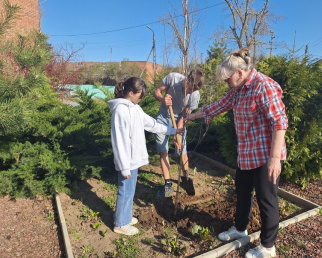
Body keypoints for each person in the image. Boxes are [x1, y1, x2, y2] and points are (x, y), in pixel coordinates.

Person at [186, 48, 288, 258]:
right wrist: (190, 117)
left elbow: (280, 123)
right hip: (247, 153)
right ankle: (240, 229)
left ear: (240, 73)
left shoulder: (263, 86)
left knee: (266, 200)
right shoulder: (238, 90)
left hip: (265, 155)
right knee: (242, 193)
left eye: (227, 79)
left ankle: (268, 247)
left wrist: (275, 159)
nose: (226, 83)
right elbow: (218, 106)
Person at [108, 77, 184, 235]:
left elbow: (152, 124)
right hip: (126, 161)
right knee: (125, 190)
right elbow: (119, 141)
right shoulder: (120, 111)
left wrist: (172, 131)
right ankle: (120, 224)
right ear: (130, 92)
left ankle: (125, 216)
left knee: (130, 189)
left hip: (133, 158)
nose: (142, 98)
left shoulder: (134, 108)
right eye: (140, 95)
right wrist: (123, 167)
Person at [153, 69, 204, 197]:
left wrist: (177, 132)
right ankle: (168, 184)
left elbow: (185, 115)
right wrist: (162, 99)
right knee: (163, 150)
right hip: (163, 117)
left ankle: (186, 177)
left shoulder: (195, 95)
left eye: (194, 90)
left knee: (182, 150)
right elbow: (156, 91)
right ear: (187, 80)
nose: (191, 92)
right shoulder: (172, 78)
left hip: (179, 119)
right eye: (190, 88)